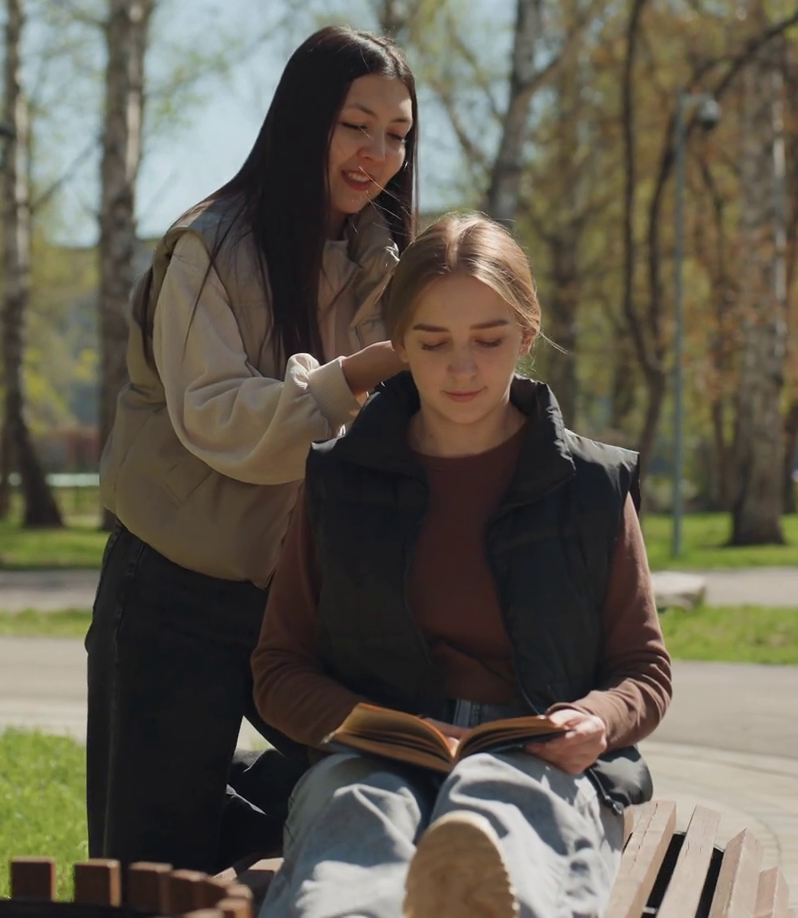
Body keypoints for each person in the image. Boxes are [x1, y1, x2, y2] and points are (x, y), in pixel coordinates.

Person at [252, 213, 671, 918]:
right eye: (434, 341)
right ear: (399, 345)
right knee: (361, 807)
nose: (463, 367)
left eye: (489, 339)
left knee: (498, 801)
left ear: (527, 337)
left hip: (536, 757)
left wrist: (595, 719)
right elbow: (278, 669)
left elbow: (644, 669)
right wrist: (374, 726)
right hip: (372, 754)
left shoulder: (591, 486)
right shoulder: (338, 480)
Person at [88, 26, 419, 874]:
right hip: (171, 589)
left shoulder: (384, 263)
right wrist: (355, 377)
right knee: (152, 873)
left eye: (397, 134)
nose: (378, 154)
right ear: (304, 120)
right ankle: (197, 809)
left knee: (386, 771)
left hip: (301, 598)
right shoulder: (210, 246)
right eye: (356, 126)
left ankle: (222, 801)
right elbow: (219, 420)